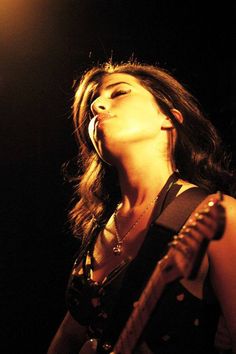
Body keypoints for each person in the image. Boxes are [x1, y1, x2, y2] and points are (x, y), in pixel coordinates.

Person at [47, 61, 236, 354]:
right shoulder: (100, 226)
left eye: (119, 93)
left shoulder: (219, 215)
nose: (97, 105)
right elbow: (69, 337)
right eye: (94, 103)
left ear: (169, 118)